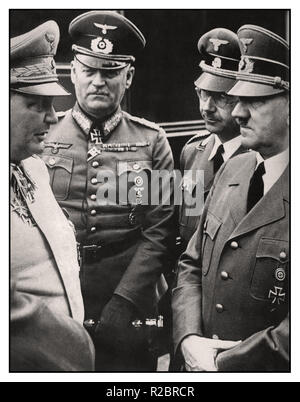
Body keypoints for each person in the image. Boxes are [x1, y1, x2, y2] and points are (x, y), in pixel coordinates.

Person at [42, 11, 175, 371]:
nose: (98, 81)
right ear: (73, 73)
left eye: (111, 71)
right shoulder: (43, 139)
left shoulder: (153, 141)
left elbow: (160, 232)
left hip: (130, 298)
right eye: (89, 70)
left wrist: (126, 300)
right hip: (58, 295)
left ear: (128, 77)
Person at [172, 24, 289, 372]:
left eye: (255, 101)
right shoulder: (232, 169)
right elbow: (190, 263)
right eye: (238, 100)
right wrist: (189, 338)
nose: (239, 113)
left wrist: (225, 362)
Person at [10, 20, 95, 371]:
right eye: (36, 104)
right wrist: (73, 345)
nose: (53, 115)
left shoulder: (34, 169)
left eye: (52, 103)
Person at [179, 28, 245, 249]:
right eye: (203, 93)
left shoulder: (258, 161)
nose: (207, 107)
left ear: (243, 98)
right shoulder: (192, 152)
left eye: (221, 97)